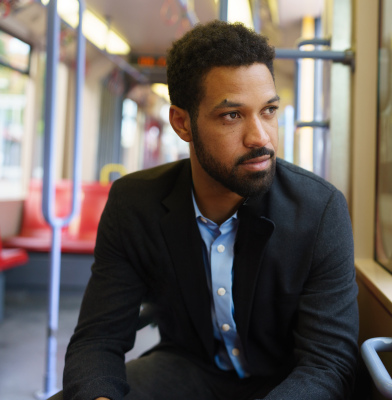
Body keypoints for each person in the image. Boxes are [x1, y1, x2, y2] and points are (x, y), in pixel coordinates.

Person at [56, 20, 358, 400]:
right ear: (182, 123)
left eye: (268, 111)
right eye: (232, 115)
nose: (260, 138)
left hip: (286, 382)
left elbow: (327, 364)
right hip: (188, 370)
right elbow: (98, 340)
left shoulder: (319, 210)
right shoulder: (134, 204)